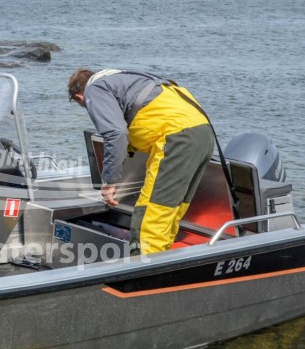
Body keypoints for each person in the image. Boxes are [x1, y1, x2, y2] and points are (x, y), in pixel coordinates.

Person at [68, 68, 217, 255]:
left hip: (176, 138)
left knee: (150, 216)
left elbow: (116, 134)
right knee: (170, 211)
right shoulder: (123, 79)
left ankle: (143, 265)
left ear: (80, 97)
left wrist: (110, 181)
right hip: (202, 133)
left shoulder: (94, 90)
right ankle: (163, 260)